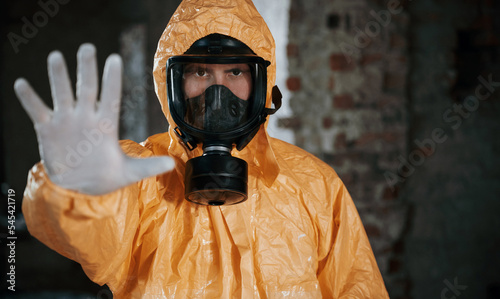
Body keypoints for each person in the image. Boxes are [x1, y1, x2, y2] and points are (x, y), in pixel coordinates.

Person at [15, 0, 389, 297]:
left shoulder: (316, 187)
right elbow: (78, 228)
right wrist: (72, 184)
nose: (217, 92)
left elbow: (356, 289)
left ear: (263, 83)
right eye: (200, 72)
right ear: (171, 85)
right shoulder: (140, 178)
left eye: (235, 73)